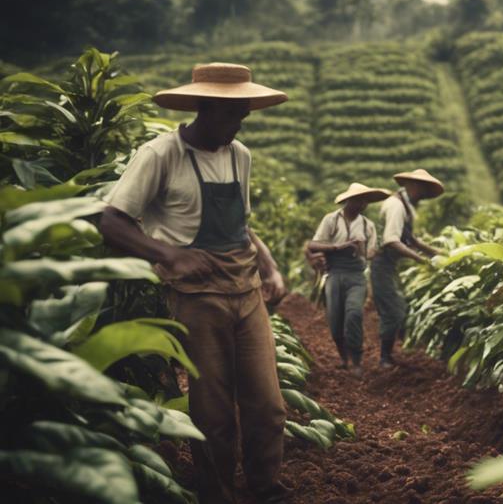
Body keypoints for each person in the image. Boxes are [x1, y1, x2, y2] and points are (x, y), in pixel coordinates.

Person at [99, 63, 290, 504]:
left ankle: (267, 489)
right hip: (196, 298)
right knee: (214, 411)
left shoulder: (239, 154)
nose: (240, 122)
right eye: (233, 114)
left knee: (268, 405)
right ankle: (217, 494)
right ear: (205, 107)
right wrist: (168, 254)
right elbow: (111, 221)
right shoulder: (160, 154)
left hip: (245, 292)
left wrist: (271, 268)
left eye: (244, 113)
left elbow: (242, 226)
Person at [305, 183, 389, 376]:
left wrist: (362, 250)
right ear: (348, 200)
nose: (362, 204)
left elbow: (370, 253)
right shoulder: (331, 220)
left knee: (354, 315)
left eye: (365, 201)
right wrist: (338, 247)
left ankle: (357, 361)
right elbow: (313, 244)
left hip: (356, 276)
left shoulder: (368, 225)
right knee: (335, 321)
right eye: (359, 200)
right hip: (334, 274)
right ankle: (344, 358)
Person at [372, 169, 444, 367]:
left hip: (389, 265)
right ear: (413, 186)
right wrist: (421, 260)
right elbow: (391, 242)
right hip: (381, 264)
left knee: (400, 306)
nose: (422, 197)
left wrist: (436, 253)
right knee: (392, 311)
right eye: (423, 191)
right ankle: (384, 358)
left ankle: (397, 350)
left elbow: (410, 239)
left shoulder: (404, 205)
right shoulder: (396, 206)